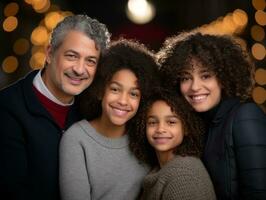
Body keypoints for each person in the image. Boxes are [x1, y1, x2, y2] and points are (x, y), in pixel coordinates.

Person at [0, 14, 110, 200]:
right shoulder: (7, 108)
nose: (79, 69)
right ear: (50, 54)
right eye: (72, 56)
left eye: (90, 61)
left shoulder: (95, 112)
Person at [158, 32, 266, 199]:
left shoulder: (245, 116)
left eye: (206, 76)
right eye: (186, 77)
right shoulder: (194, 124)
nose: (195, 87)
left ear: (223, 78)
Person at [59, 38, 160, 200]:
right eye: (115, 89)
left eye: (133, 94)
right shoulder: (76, 139)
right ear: (100, 91)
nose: (123, 101)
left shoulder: (145, 137)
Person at [129, 88, 216, 200]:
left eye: (171, 122)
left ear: (186, 128)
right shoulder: (161, 168)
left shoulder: (183, 176)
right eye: (152, 122)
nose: (160, 129)